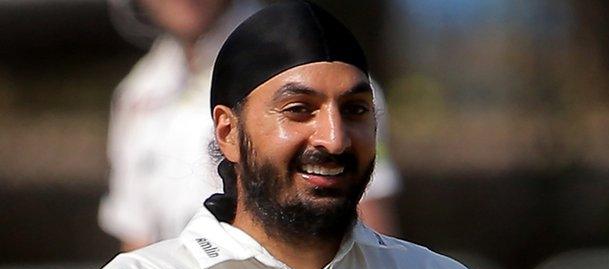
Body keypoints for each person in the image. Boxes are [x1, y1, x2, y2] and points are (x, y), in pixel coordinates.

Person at [66, 2, 508, 269]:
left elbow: (374, 210)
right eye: (298, 110)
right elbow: (136, 233)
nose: (333, 139)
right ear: (227, 132)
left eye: (355, 110)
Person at [100, 0, 402, 252]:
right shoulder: (137, 93)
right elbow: (137, 235)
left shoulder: (320, 69)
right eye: (297, 108)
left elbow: (369, 221)